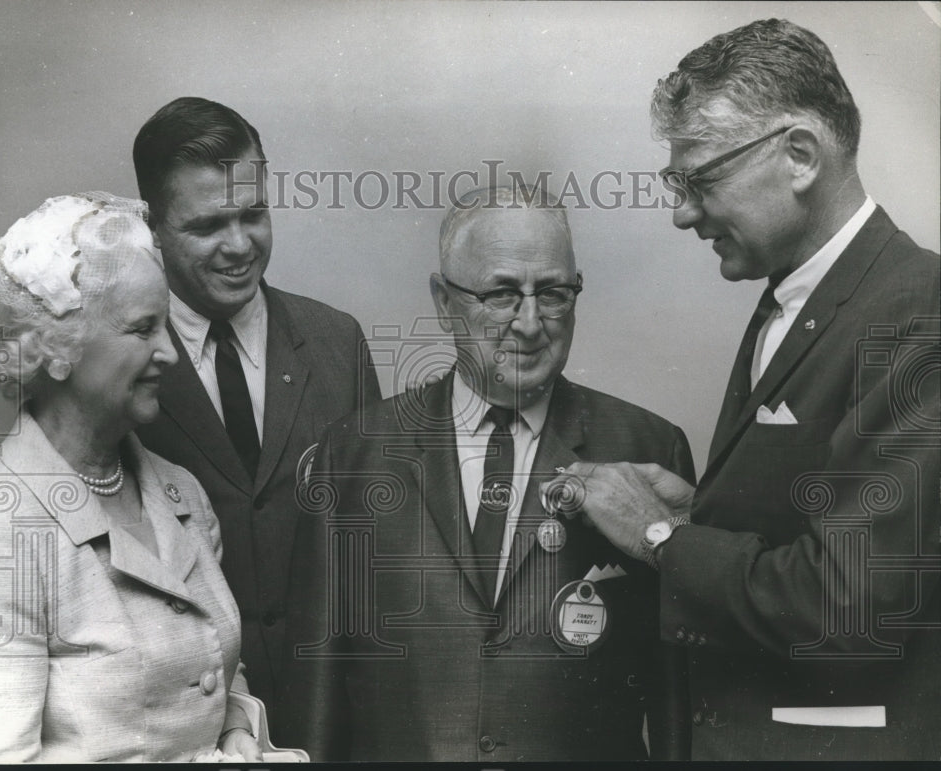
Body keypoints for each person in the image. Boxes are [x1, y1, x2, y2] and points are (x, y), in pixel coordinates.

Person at [542, 18, 941, 760]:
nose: (682, 212)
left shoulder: (922, 312)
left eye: (702, 179)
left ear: (799, 155)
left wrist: (661, 536)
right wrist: (699, 509)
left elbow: (850, 609)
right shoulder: (797, 301)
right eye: (676, 183)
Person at [277, 186, 695, 761]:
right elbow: (316, 694)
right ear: (445, 301)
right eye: (501, 294)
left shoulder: (648, 447)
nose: (529, 323)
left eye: (552, 293)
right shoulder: (353, 455)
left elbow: (677, 698)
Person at [0, 194, 263, 762]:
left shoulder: (181, 492)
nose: (169, 353)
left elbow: (214, 671)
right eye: (143, 329)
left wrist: (237, 731)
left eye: (166, 325)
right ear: (59, 350)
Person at [131, 97, 381, 729]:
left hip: (336, 719)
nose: (238, 245)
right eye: (209, 226)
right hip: (186, 726)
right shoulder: (120, 367)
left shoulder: (338, 343)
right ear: (151, 225)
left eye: (254, 215)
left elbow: (380, 544)